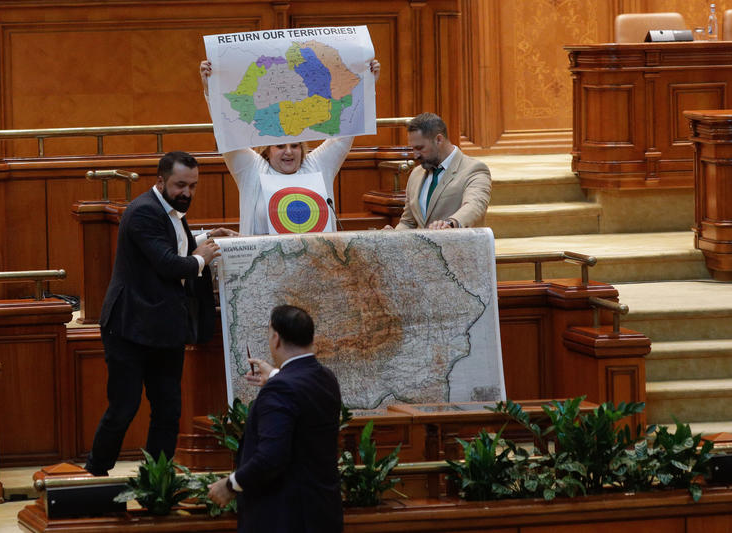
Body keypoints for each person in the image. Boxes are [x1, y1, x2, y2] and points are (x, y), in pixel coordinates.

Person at [85, 151, 233, 476]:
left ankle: (156, 481)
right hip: (129, 327)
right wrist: (202, 257)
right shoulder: (143, 211)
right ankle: (95, 475)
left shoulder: (170, 210)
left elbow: (174, 244)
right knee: (124, 408)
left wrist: (207, 239)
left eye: (193, 186)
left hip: (164, 327)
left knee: (168, 410)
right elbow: (168, 263)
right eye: (180, 185)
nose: (187, 193)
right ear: (161, 181)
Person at [199, 58, 380, 235]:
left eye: (295, 145)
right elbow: (227, 131)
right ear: (267, 151)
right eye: (280, 146)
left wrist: (367, 84)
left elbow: (346, 130)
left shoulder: (317, 165)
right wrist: (210, 89)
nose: (288, 152)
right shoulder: (252, 169)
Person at [207, 305, 343, 533]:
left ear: (276, 338)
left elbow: (271, 458)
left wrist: (231, 485)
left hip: (284, 519)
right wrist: (274, 375)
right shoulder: (326, 378)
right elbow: (300, 393)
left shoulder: (280, 389)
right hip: (322, 514)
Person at [393, 112, 491, 230]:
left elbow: (475, 205)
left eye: (420, 148)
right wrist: (391, 235)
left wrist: (451, 223)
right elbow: (408, 223)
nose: (415, 155)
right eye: (413, 148)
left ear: (438, 140)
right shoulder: (416, 174)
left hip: (456, 241)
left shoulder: (474, 169)